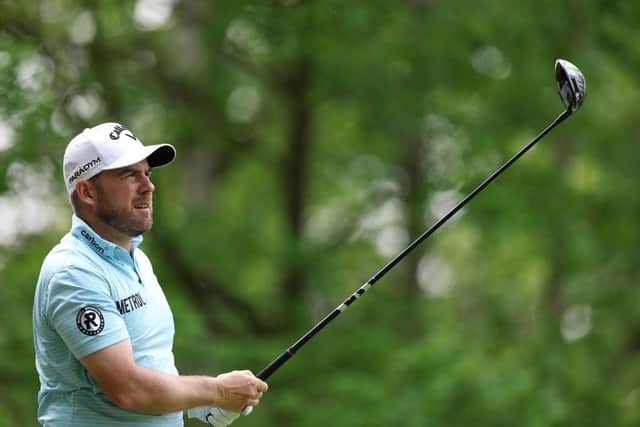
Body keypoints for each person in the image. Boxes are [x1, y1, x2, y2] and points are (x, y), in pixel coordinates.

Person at [32, 122, 268, 427]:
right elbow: (129, 390)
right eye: (129, 175)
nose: (148, 186)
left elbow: (151, 367)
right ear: (87, 192)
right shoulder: (73, 273)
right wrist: (217, 391)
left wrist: (199, 404)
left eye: (147, 173)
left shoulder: (137, 259)